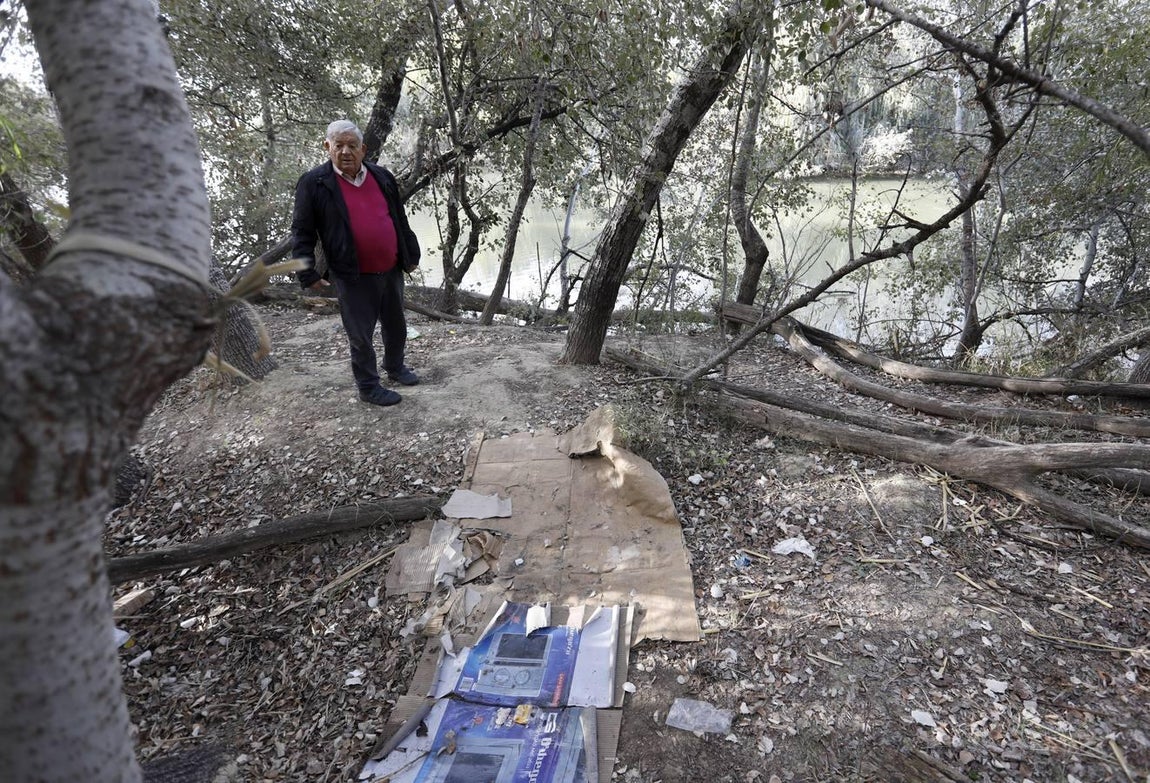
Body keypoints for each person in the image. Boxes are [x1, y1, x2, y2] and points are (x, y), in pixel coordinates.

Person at [291, 119, 421, 406]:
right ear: (327, 147)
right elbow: (302, 231)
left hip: (390, 268)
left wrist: (410, 254)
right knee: (360, 335)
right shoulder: (314, 183)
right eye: (338, 145)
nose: (345, 151)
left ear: (363, 149)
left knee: (396, 326)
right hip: (351, 274)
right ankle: (368, 386)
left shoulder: (381, 176)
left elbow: (398, 218)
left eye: (352, 145)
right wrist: (306, 272)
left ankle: (395, 367)